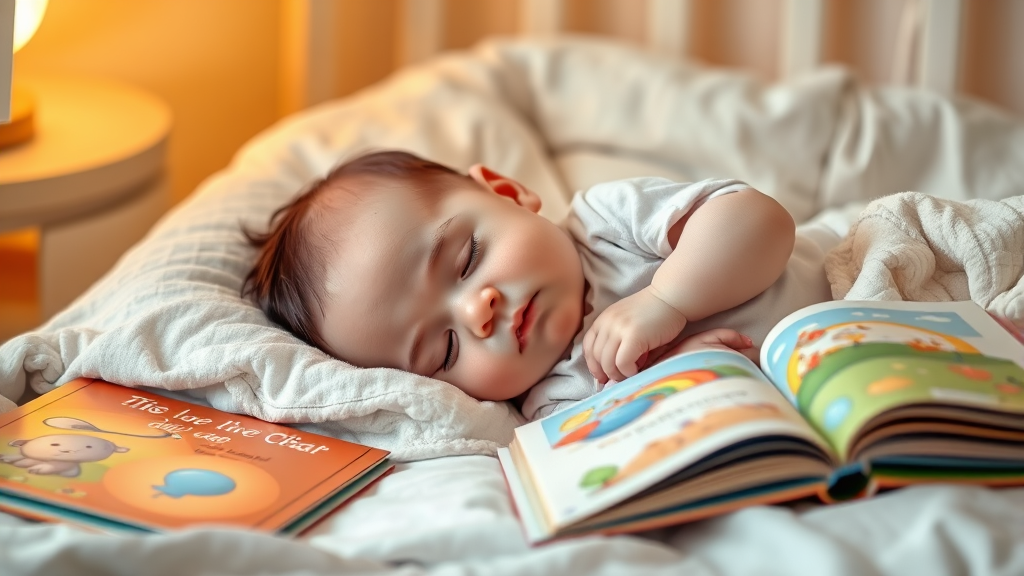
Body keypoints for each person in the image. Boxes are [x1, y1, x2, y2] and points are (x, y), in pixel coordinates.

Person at [243, 150, 839, 420]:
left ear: (507, 194)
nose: (478, 313)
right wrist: (679, 374)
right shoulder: (558, 402)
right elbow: (648, 440)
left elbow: (760, 222)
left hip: (848, 289)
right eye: (445, 349)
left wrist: (666, 300)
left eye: (466, 259)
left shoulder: (608, 224)